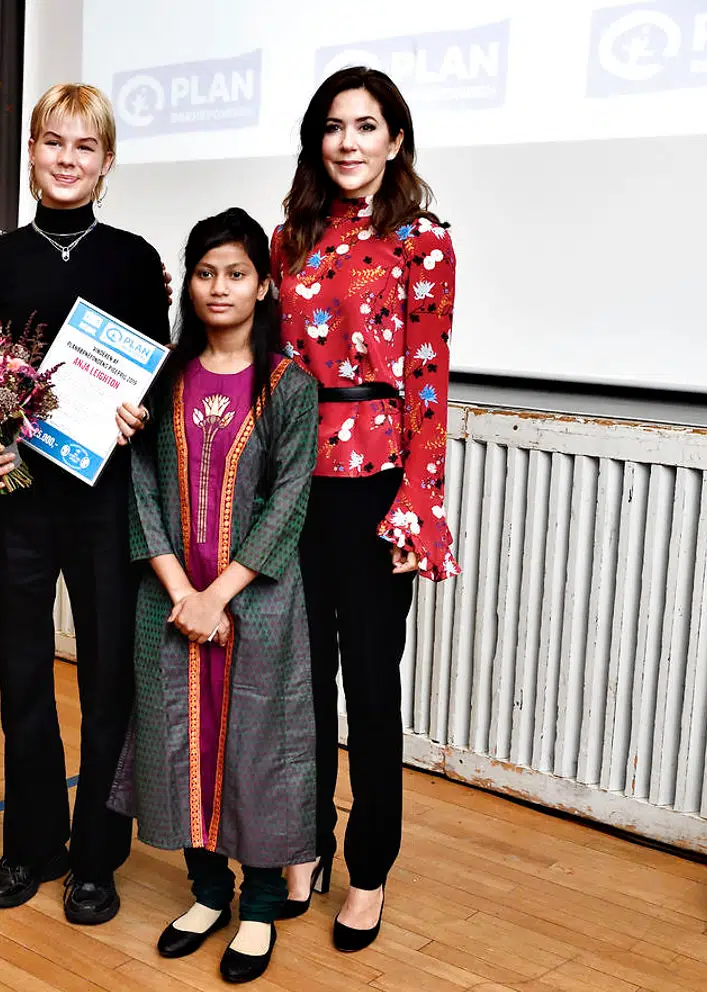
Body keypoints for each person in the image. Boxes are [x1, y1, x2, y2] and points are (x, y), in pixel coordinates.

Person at [0, 83, 169, 925]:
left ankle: (95, 858)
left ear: (107, 162)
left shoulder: (132, 258)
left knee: (107, 681)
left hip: (104, 498)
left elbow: (156, 374)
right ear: (32, 154)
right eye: (54, 143)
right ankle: (31, 844)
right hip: (15, 494)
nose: (67, 159)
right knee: (22, 679)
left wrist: (138, 410)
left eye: (85, 147)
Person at [269, 66, 459, 952]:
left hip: (381, 485)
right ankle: (301, 842)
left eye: (366, 126)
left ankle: (370, 866)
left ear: (395, 141)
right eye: (333, 126)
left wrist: (418, 506)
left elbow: (429, 379)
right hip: (299, 482)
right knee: (299, 686)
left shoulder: (424, 241)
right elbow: (273, 365)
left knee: (371, 690)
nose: (348, 142)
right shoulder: (287, 238)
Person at [109, 207, 318, 984]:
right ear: (187, 284)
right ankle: (206, 891)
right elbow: (141, 484)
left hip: (254, 603)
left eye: (236, 273)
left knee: (257, 751)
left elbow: (290, 497)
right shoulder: (161, 377)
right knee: (178, 738)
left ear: (264, 285)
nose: (218, 288)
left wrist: (218, 596)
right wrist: (179, 588)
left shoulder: (289, 385)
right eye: (204, 273)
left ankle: (260, 906)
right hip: (169, 596)